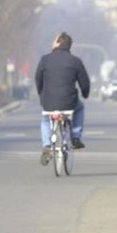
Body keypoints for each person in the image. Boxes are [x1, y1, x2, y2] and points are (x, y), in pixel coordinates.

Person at [35, 32, 90, 165]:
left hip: (49, 102)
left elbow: (38, 79)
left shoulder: (45, 59)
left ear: (58, 43)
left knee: (45, 119)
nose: (52, 43)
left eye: (54, 41)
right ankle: (76, 137)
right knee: (80, 108)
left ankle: (47, 145)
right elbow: (85, 82)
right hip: (69, 102)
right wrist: (85, 93)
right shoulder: (75, 61)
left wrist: (41, 94)